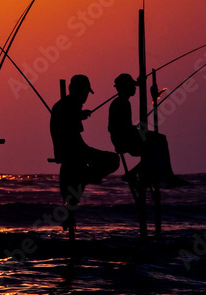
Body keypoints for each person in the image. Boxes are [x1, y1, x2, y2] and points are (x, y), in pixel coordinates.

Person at [108, 73, 188, 238]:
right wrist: (138, 131)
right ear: (124, 88)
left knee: (153, 144)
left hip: (125, 138)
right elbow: (121, 128)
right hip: (125, 141)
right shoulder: (121, 103)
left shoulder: (121, 102)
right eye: (132, 87)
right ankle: (167, 175)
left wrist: (138, 130)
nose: (134, 89)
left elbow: (124, 127)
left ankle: (136, 174)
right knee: (159, 140)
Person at [50, 75, 120, 232]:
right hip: (74, 151)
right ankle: (90, 177)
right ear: (76, 90)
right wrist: (78, 115)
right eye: (85, 92)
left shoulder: (66, 105)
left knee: (74, 187)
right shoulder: (70, 105)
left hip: (72, 151)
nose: (86, 96)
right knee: (113, 159)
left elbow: (71, 123)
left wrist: (79, 115)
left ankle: (86, 180)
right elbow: (67, 125)